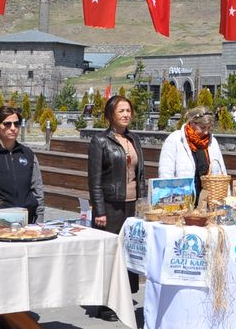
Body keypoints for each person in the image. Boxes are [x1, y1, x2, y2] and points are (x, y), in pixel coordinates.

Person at [87, 95, 144, 322]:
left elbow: (140, 173)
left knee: (127, 253)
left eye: (128, 110)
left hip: (131, 203)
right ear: (110, 114)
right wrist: (99, 210)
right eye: (121, 111)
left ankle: (123, 298)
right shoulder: (100, 141)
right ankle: (104, 304)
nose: (126, 115)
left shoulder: (134, 139)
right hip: (110, 205)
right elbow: (94, 179)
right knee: (109, 255)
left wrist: (143, 200)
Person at [158, 105, 225, 204]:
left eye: (209, 128)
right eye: (202, 128)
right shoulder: (175, 139)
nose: (206, 132)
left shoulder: (212, 141)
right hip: (181, 201)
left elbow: (222, 172)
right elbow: (165, 173)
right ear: (192, 123)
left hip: (209, 202)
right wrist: (169, 201)